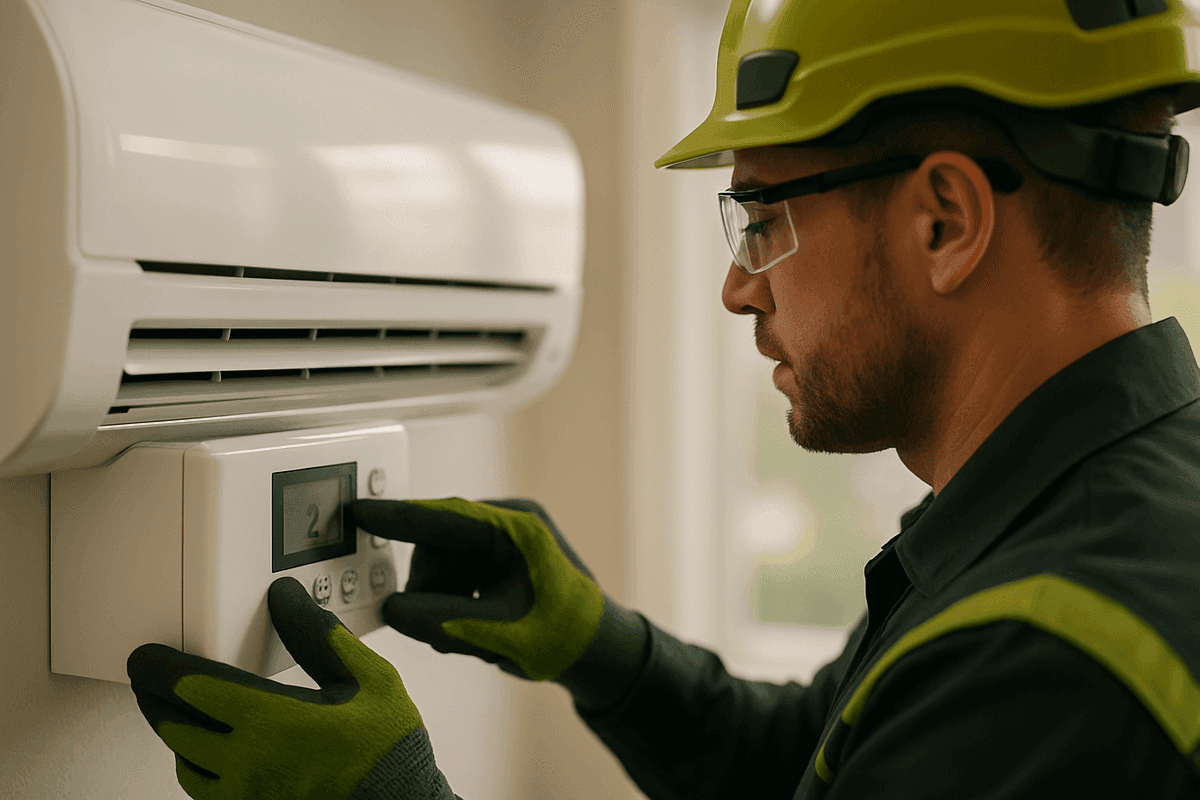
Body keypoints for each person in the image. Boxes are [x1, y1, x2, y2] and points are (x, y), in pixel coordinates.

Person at [127, 0, 1200, 797]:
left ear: (945, 222)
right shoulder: (1066, 509)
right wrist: (608, 650)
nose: (739, 287)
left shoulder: (1057, 661)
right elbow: (819, 763)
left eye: (763, 218)